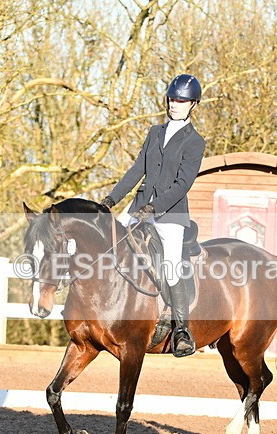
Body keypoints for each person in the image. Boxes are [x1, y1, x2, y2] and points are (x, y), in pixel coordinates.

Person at [100, 74, 205, 358]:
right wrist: (112, 198)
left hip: (171, 214)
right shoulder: (154, 132)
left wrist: (155, 207)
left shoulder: (195, 142)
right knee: (108, 245)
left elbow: (183, 184)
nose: (175, 104)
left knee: (171, 265)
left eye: (181, 101)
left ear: (193, 104)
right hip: (139, 206)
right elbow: (137, 170)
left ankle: (182, 331)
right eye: (172, 99)